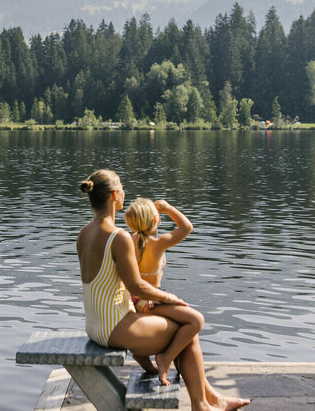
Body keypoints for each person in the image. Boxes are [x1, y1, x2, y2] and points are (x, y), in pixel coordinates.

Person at [77, 169, 249, 410]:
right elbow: (136, 286)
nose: (124, 191)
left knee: (183, 330)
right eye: (122, 187)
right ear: (115, 195)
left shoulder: (84, 233)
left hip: (94, 327)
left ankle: (211, 400)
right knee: (187, 331)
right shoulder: (118, 237)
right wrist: (169, 297)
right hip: (116, 329)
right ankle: (201, 404)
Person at [124, 197, 206, 381]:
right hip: (150, 301)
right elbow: (186, 227)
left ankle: (142, 356)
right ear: (156, 219)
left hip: (133, 300)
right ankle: (165, 357)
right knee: (195, 321)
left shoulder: (128, 240)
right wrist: (167, 208)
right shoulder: (158, 243)